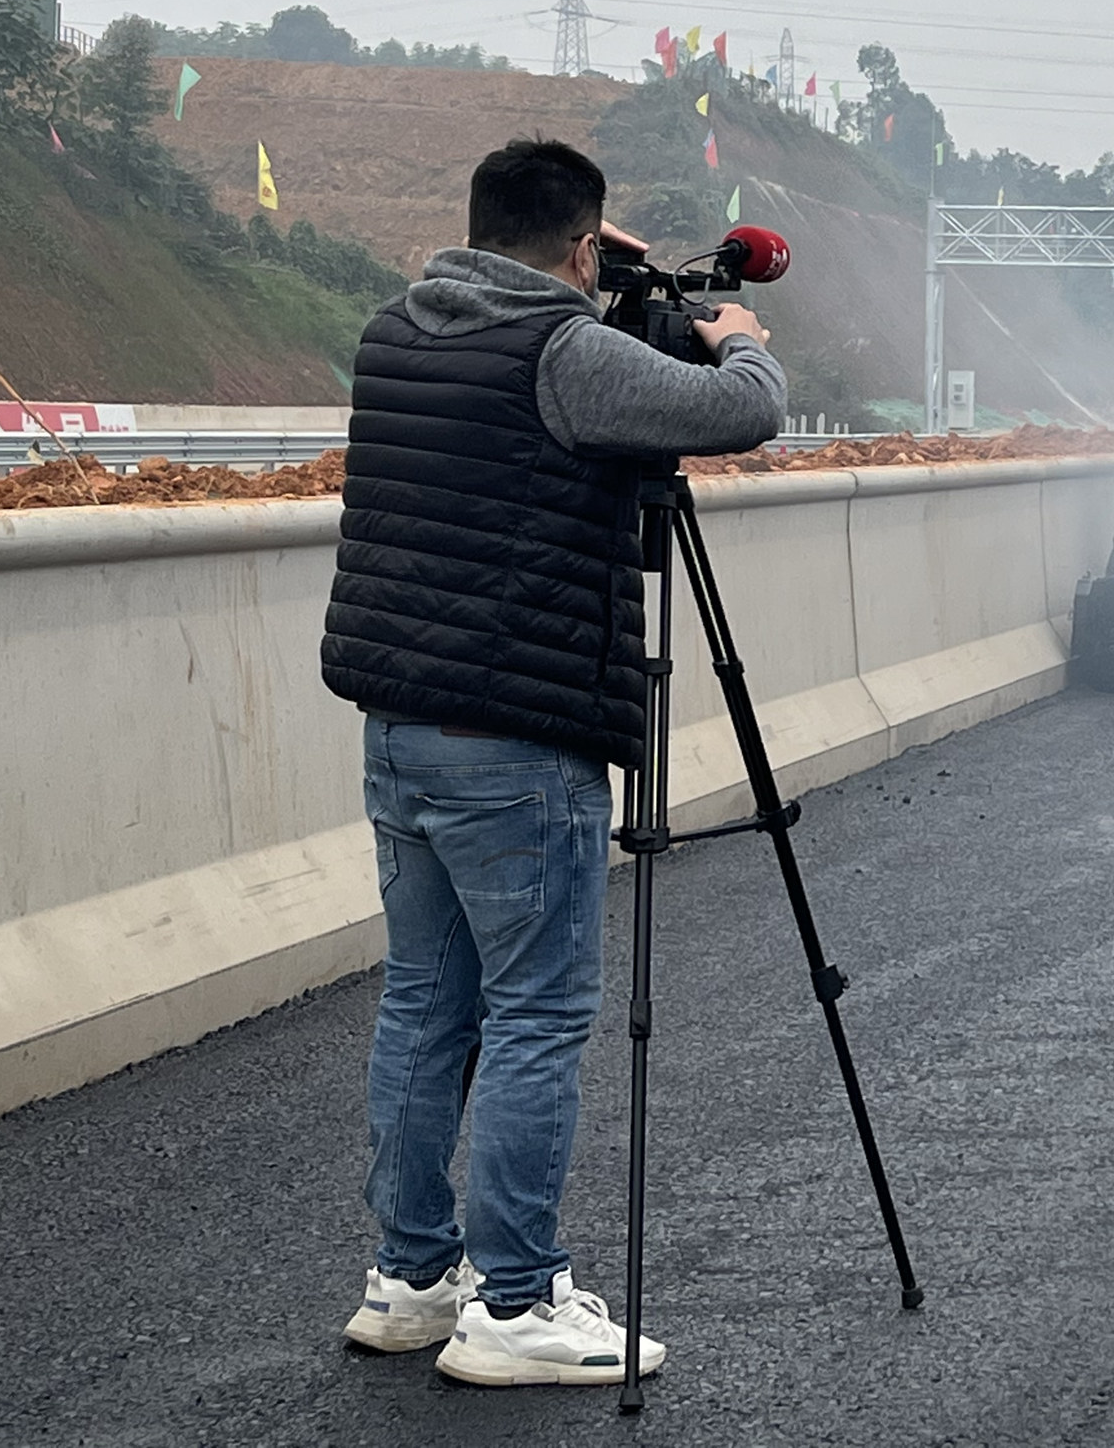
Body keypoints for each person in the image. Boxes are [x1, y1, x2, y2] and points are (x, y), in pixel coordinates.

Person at [321, 138, 785, 1387]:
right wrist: (739, 336)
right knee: (536, 1015)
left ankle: (409, 1281)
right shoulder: (567, 352)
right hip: (518, 743)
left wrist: (591, 279)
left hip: (398, 726)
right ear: (583, 249)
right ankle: (517, 1304)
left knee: (424, 1005)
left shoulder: (395, 331)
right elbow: (743, 411)